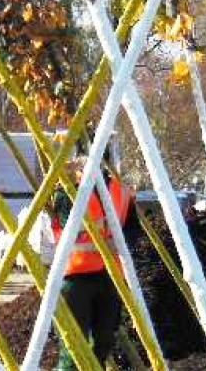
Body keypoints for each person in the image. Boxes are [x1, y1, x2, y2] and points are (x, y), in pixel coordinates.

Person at [50, 154, 139, 371]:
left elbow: (132, 228)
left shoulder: (120, 191)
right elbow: (64, 221)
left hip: (109, 277)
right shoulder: (68, 191)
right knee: (73, 344)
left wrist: (119, 243)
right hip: (76, 276)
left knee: (105, 340)